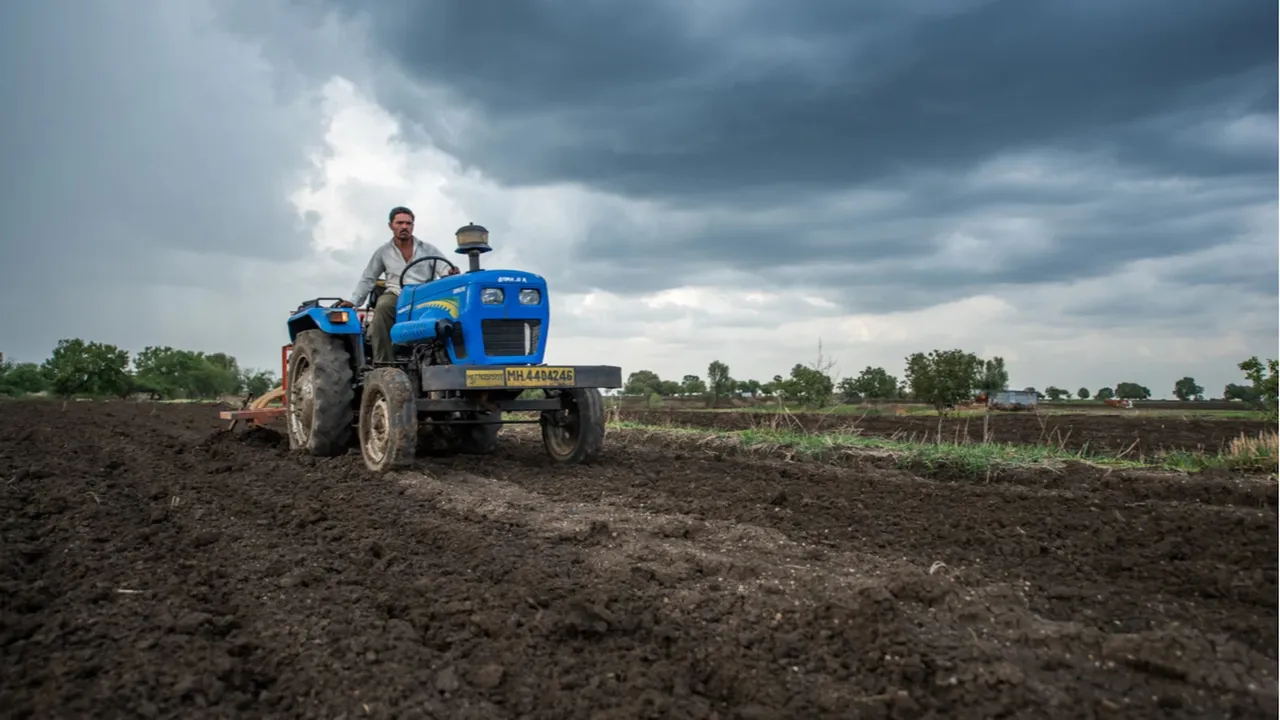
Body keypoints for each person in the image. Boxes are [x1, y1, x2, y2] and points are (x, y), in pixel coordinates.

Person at [337, 206, 458, 363]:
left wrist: (451, 272)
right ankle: (384, 363)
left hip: (424, 295)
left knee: (452, 311)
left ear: (413, 226)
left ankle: (448, 358)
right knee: (382, 308)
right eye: (400, 223)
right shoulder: (383, 252)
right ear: (391, 226)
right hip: (397, 294)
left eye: (408, 223)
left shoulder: (428, 249)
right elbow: (368, 278)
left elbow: (445, 269)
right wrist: (354, 302)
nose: (404, 227)